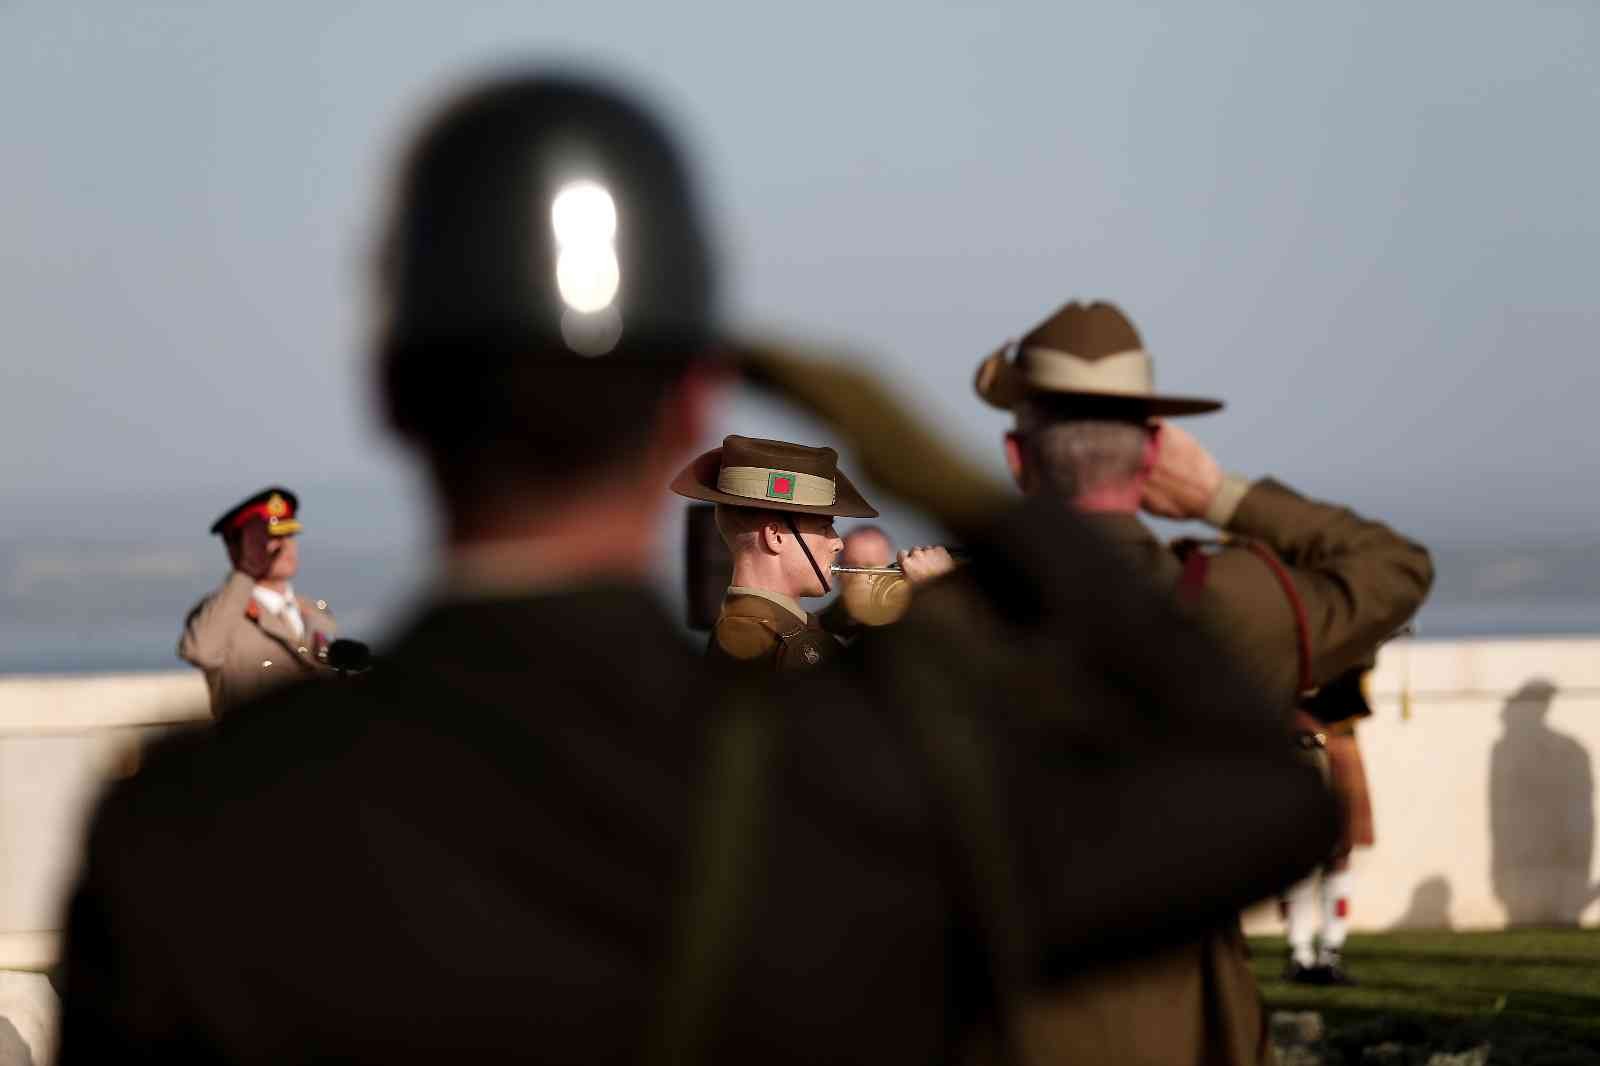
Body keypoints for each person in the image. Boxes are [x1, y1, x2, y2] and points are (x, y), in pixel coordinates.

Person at [58, 74, 1338, 1065]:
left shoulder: (190, 838)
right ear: (687, 405)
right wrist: (953, 479)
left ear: (393, 394)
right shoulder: (860, 791)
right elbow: (1265, 796)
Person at [974, 300, 1433, 1063]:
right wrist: (1218, 494)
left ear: (1019, 459)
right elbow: (1395, 565)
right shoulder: (1231, 605)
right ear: (1153, 453)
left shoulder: (947, 621)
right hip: (1189, 1021)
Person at [670, 434, 951, 672]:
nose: (837, 543)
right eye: (824, 528)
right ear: (776, 536)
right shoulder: (786, 649)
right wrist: (936, 598)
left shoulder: (762, 631)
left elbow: (824, 624)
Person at [177, 487, 338, 716]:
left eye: (289, 534)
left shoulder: (314, 611)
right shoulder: (220, 615)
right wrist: (246, 572)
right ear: (236, 549)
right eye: (271, 538)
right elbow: (200, 651)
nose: (285, 546)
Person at [1282, 665, 1378, 985]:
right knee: (1299, 861)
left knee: (1340, 857)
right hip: (1300, 746)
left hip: (1336, 742)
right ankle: (1300, 954)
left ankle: (1330, 951)